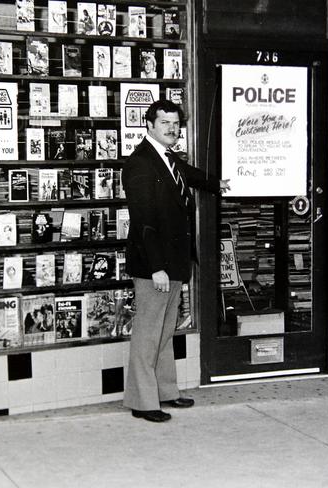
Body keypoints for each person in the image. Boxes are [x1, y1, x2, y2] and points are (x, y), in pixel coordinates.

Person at [122, 100, 230, 422]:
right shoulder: (140, 163)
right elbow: (144, 222)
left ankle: (166, 391)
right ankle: (142, 402)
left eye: (175, 123)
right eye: (165, 123)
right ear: (149, 126)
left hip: (173, 262)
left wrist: (216, 183)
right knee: (148, 332)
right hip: (154, 266)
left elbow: (189, 175)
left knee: (166, 329)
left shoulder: (168, 159)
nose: (172, 128)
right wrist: (156, 267)